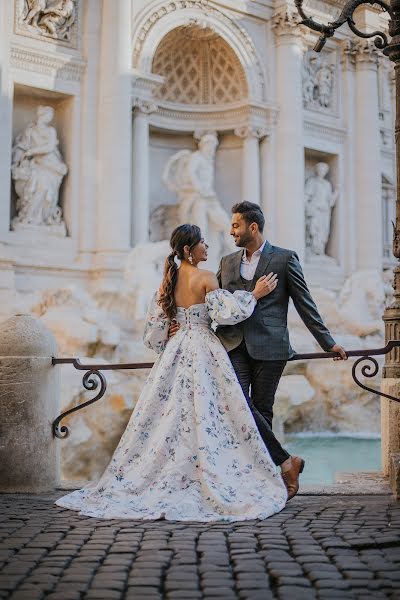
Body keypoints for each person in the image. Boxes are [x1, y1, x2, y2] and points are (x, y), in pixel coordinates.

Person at [55, 224, 288, 521]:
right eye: (202, 242)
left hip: (176, 351)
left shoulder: (168, 281)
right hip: (204, 347)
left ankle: (174, 471)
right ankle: (210, 470)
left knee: (171, 413)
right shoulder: (205, 278)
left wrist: (175, 329)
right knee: (211, 412)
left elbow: (154, 335)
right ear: (189, 251)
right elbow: (227, 314)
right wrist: (254, 294)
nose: (207, 246)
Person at [215, 202, 347, 498]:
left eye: (236, 225)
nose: (231, 230)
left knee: (262, 410)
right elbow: (219, 303)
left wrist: (328, 342)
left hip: (271, 346)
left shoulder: (285, 258)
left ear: (253, 227)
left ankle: (258, 477)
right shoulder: (226, 263)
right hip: (233, 343)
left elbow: (305, 304)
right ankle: (287, 462)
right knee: (235, 401)